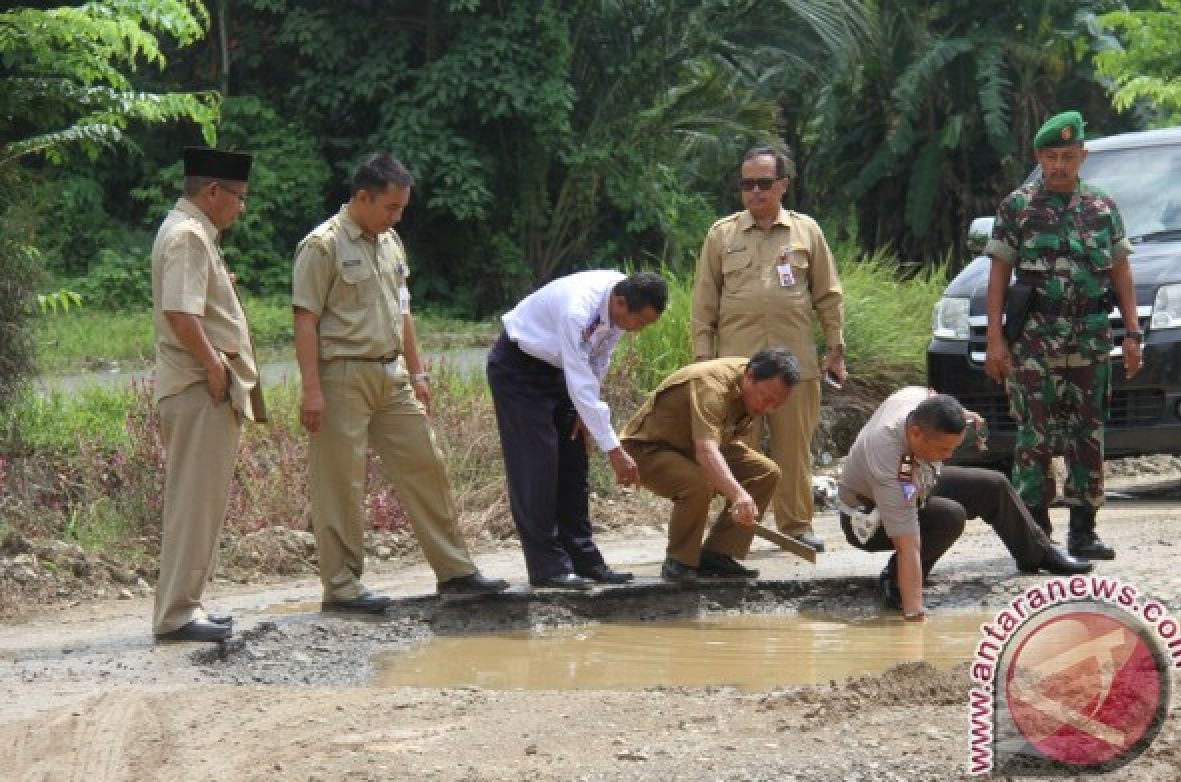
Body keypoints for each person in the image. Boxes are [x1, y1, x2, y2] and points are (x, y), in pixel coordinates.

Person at [292, 152, 508, 613]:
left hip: (392, 376)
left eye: (402, 208)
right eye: (391, 207)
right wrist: (312, 389)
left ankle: (455, 572)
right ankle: (343, 586)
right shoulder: (322, 246)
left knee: (426, 465)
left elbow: (403, 309)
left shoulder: (391, 242)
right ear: (363, 198)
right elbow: (305, 319)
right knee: (341, 484)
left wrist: (419, 371)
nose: (397, 216)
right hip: (342, 375)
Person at [983, 111, 1141, 560]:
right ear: (1038, 157)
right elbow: (998, 274)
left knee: (1088, 433)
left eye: (1067, 156)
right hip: (1034, 341)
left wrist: (1132, 333)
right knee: (1035, 435)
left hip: (1090, 337)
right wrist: (996, 339)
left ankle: (1084, 530)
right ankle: (1035, 532)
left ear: (1082, 156)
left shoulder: (1102, 207)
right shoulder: (1019, 206)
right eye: (1050, 156)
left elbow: (1121, 270)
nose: (1058, 165)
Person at [691, 145, 846, 554]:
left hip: (796, 367)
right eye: (746, 184)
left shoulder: (806, 231)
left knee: (793, 449)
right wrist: (704, 360)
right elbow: (704, 302)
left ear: (782, 185)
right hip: (740, 372)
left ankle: (796, 525)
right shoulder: (721, 235)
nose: (754, 192)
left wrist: (836, 348)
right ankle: (737, 531)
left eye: (763, 183)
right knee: (738, 452)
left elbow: (828, 295)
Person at [838, 388, 1094, 621]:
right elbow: (908, 545)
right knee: (950, 516)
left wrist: (963, 414)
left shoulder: (916, 400)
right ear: (915, 433)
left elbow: (936, 400)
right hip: (868, 518)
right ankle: (894, 582)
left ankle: (1038, 552)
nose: (948, 456)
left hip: (917, 477)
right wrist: (914, 614)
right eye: (943, 449)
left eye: (953, 448)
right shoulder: (886, 456)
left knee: (993, 484)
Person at [488, 271, 667, 589]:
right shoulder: (578, 310)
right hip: (520, 369)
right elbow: (580, 373)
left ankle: (583, 560)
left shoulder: (619, 299)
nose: (638, 331)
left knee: (574, 462)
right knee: (537, 465)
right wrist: (614, 450)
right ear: (621, 303)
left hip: (560, 370)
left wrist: (588, 412)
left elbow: (599, 359)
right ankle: (547, 568)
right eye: (639, 323)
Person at [151, 146, 261, 643]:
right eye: (238, 197)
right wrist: (214, 366)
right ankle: (177, 615)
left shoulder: (194, 233)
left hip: (202, 387)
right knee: (194, 502)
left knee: (203, 500)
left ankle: (188, 605)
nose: (242, 207)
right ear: (212, 191)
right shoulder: (189, 237)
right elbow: (181, 311)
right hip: (199, 387)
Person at [620, 348, 800, 583]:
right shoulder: (710, 385)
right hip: (647, 450)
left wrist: (733, 488)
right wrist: (738, 494)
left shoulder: (752, 384)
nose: (769, 409)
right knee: (697, 483)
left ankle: (718, 554)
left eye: (777, 404)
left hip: (692, 447)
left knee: (766, 473)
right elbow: (706, 453)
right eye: (766, 399)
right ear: (749, 376)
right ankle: (679, 562)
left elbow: (715, 444)